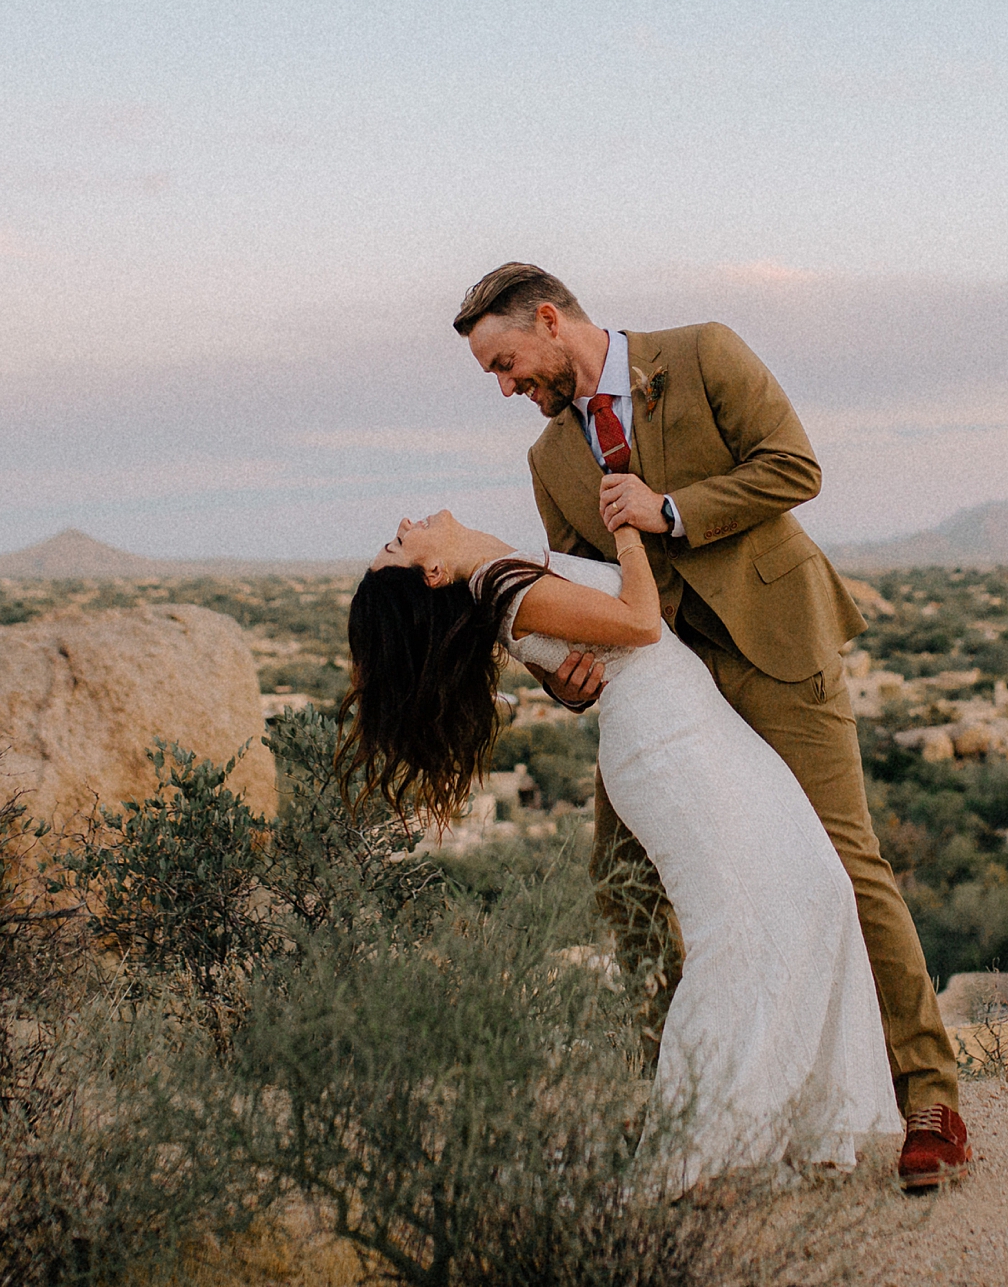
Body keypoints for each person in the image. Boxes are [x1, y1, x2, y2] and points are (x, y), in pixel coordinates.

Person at [453, 262, 972, 1189]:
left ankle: (928, 1097)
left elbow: (794, 466)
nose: (505, 387)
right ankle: (681, 1103)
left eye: (506, 362)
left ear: (547, 319)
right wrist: (568, 684)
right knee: (624, 883)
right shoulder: (549, 463)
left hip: (776, 646)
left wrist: (671, 511)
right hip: (665, 692)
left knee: (846, 863)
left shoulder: (700, 354)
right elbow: (583, 596)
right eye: (493, 376)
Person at [343, 509, 898, 1188]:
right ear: (433, 573)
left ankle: (786, 1124)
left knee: (817, 887)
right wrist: (629, 531)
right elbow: (640, 623)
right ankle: (701, 1148)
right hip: (671, 748)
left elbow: (585, 643)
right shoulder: (501, 583)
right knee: (738, 933)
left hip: (689, 729)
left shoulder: (499, 576)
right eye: (399, 543)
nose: (404, 522)